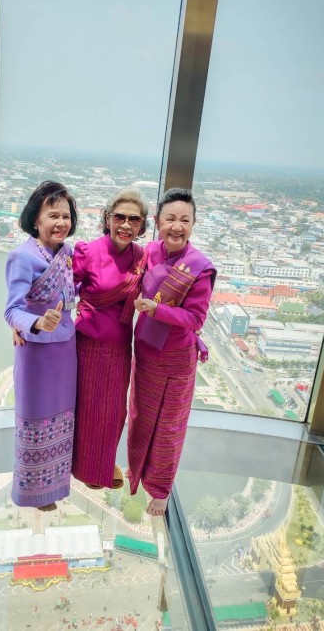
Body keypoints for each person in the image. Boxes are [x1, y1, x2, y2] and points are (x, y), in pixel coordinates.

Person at [128, 188, 216, 516]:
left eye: (185, 220)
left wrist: (157, 310)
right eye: (170, 219)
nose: (177, 227)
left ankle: (161, 489)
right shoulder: (148, 252)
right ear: (157, 221)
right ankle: (136, 473)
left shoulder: (200, 268)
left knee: (168, 427)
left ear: (193, 224)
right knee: (140, 417)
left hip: (176, 359)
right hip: (146, 351)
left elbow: (196, 319)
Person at [4, 180, 78, 511]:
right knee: (35, 421)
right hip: (36, 356)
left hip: (66, 353)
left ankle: (55, 488)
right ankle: (33, 494)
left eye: (66, 216)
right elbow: (12, 310)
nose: (61, 222)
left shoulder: (67, 254)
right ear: (36, 218)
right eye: (53, 215)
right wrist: (35, 322)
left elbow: (71, 292)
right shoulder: (21, 257)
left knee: (61, 420)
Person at [71, 188, 148, 490]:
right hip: (88, 346)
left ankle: (102, 465)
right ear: (107, 219)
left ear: (142, 225)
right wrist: (27, 318)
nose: (126, 225)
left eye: (134, 219)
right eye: (120, 217)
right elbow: (62, 290)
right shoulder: (88, 252)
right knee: (88, 410)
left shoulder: (142, 257)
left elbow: (163, 287)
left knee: (114, 412)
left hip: (119, 348)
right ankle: (83, 468)